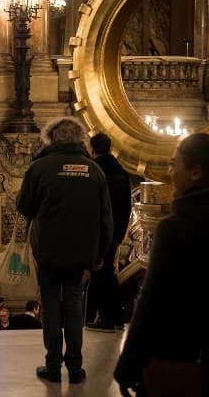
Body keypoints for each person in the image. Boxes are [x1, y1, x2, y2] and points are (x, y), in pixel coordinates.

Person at [115, 133, 209, 397]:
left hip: (180, 364)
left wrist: (128, 366)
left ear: (195, 172)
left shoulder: (177, 227)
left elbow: (151, 302)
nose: (169, 173)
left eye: (174, 164)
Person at [16, 116, 113, 384]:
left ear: (50, 138)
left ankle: (53, 366)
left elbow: (24, 207)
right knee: (74, 304)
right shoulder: (94, 170)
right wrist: (101, 254)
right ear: (80, 139)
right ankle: (76, 368)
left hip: (47, 249)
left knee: (49, 305)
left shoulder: (40, 168)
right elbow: (106, 218)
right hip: (82, 252)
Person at [85, 132, 132, 332]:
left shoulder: (94, 171)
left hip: (99, 231)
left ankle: (106, 319)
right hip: (115, 230)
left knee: (100, 273)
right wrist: (120, 234)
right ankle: (116, 317)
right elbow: (127, 206)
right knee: (108, 274)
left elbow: (93, 206)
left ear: (92, 149)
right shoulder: (121, 171)